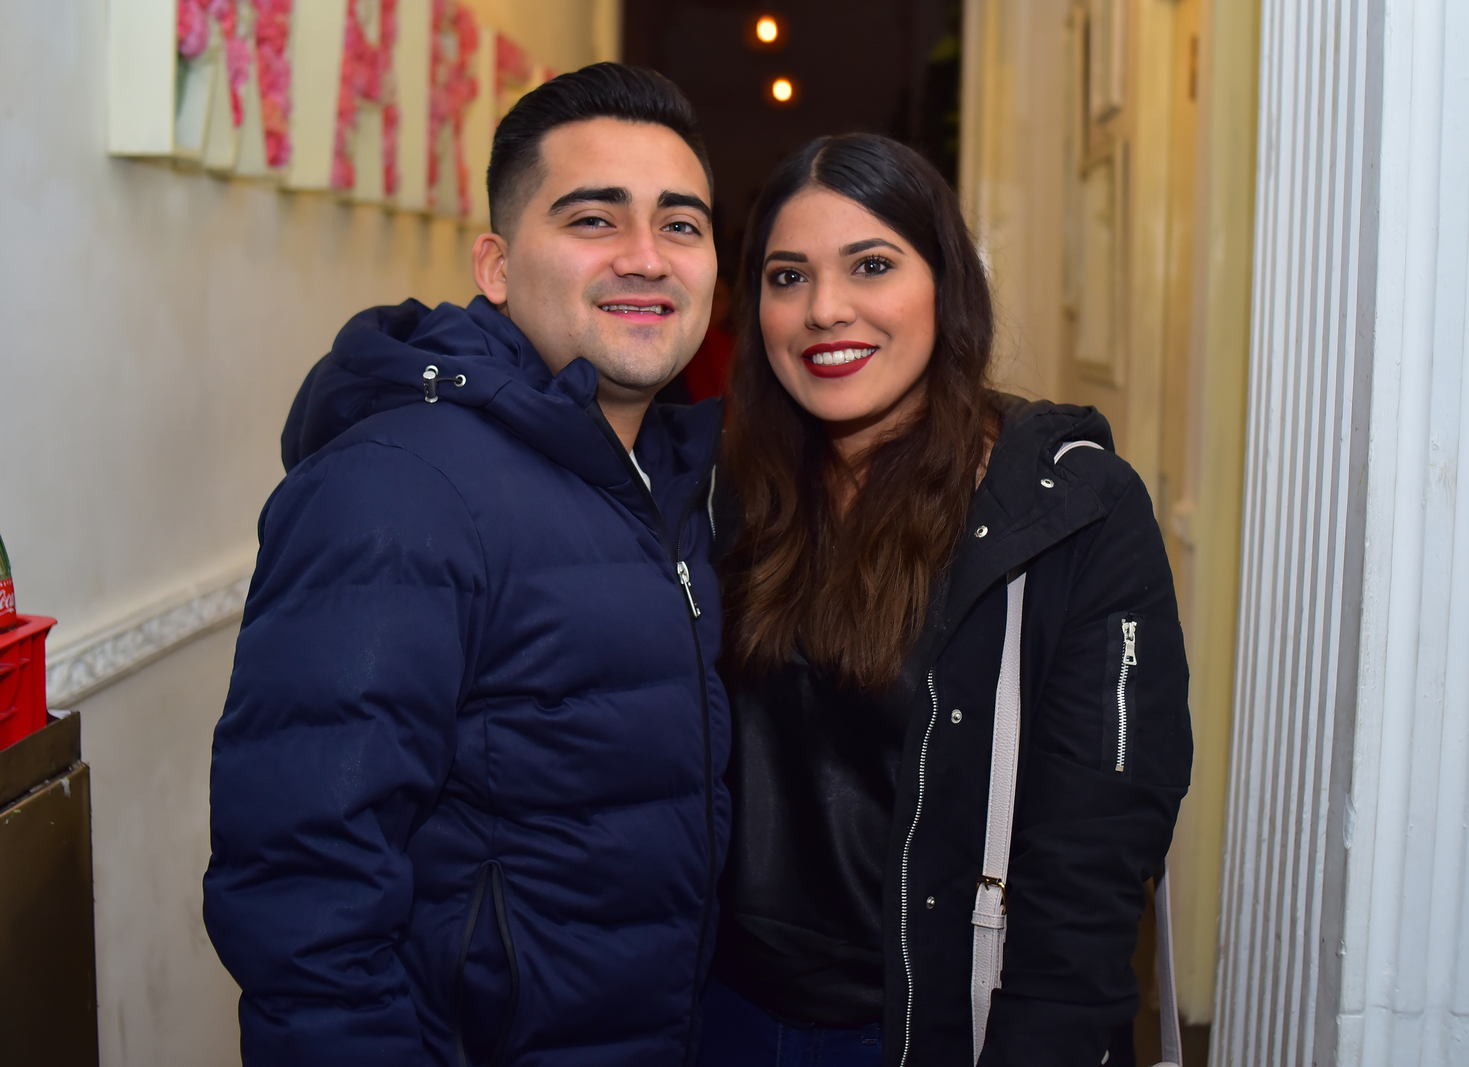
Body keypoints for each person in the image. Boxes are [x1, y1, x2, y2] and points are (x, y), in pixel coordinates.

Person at [204, 64, 730, 1066]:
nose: (646, 256)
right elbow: (306, 896)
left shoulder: (664, 480)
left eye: (681, 224)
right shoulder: (399, 487)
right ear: (495, 264)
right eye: (593, 219)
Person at [702, 134, 1192, 1067]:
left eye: (871, 265)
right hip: (716, 1016)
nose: (824, 308)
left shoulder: (1069, 513)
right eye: (787, 276)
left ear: (947, 286)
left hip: (933, 1029)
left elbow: (1092, 858)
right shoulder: (720, 495)